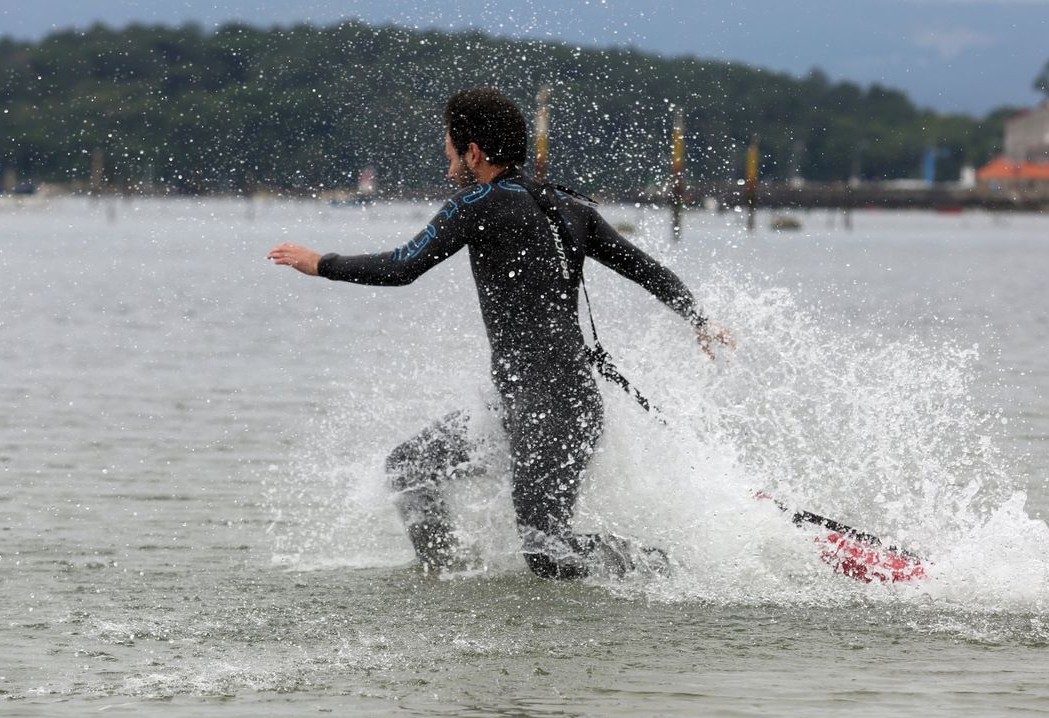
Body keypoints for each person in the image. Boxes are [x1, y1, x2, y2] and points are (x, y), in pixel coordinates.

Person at [268, 87, 731, 579]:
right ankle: (446, 574)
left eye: (450, 146)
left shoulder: (478, 201)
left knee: (547, 553)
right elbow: (646, 268)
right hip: (537, 403)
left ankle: (673, 573)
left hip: (549, 408)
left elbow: (404, 266)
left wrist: (322, 264)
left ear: (474, 152)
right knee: (409, 469)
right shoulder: (569, 206)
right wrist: (698, 318)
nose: (447, 158)